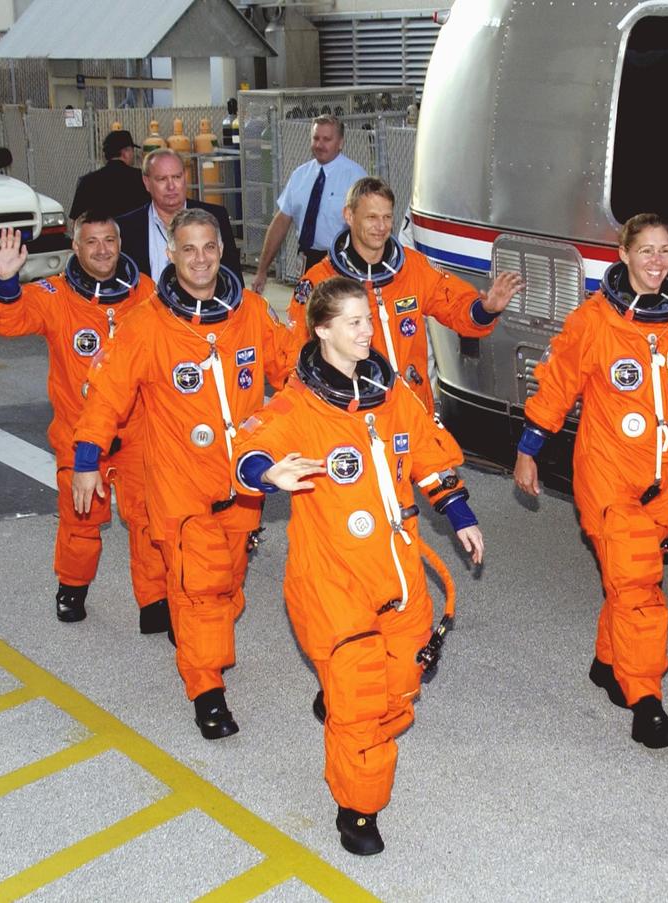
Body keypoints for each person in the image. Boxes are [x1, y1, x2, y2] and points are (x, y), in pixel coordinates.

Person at [233, 276, 483, 856]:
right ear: (321, 330)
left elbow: (426, 453)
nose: (368, 331)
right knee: (362, 695)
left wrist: (460, 512)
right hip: (332, 580)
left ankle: (350, 720)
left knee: (399, 688)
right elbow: (251, 448)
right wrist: (266, 474)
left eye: (370, 321)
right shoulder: (297, 402)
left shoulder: (391, 394)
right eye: (354, 323)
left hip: (398, 571)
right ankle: (359, 807)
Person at [72, 208, 292, 740]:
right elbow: (106, 398)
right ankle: (207, 691)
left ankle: (200, 642)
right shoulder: (146, 325)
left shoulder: (252, 313)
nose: (200, 259)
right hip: (180, 486)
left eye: (209, 247)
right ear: (170, 255)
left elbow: (293, 375)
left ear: (222, 251)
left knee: (229, 583)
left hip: (242, 485)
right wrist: (86, 463)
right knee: (200, 591)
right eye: (188, 249)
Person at [513, 213, 668, 748]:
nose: (657, 262)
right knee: (639, 585)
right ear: (624, 254)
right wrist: (527, 451)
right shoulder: (593, 322)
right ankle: (646, 701)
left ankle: (608, 663)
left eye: (665, 251)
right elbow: (556, 385)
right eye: (647, 251)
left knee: (631, 577)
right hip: (609, 473)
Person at [0, 214, 168, 630]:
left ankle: (155, 600)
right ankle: (72, 586)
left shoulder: (145, 291)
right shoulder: (56, 294)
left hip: (137, 432)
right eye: (92, 242)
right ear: (75, 246)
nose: (102, 249)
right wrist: (8, 281)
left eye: (109, 240)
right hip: (78, 430)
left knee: (147, 518)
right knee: (80, 518)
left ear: (121, 243)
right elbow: (10, 321)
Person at [288, 177, 523, 411]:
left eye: (387, 217)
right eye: (371, 217)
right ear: (349, 216)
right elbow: (293, 356)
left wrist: (485, 309)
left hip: (413, 408)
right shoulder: (320, 282)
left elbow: (453, 303)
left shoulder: (413, 268)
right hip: (355, 412)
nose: (381, 227)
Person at [250, 115, 367, 293]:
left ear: (341, 142)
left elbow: (366, 228)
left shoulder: (356, 177)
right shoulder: (299, 175)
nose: (320, 145)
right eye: (316, 138)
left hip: (341, 264)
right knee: (304, 315)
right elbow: (281, 222)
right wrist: (262, 270)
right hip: (306, 261)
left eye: (327, 139)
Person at [116, 148, 242, 282]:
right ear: (147, 183)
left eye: (176, 177)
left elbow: (233, 279)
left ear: (185, 177)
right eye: (162, 179)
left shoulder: (215, 217)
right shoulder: (126, 227)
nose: (171, 186)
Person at [69, 130, 150, 220]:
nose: (133, 154)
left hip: (101, 233)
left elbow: (76, 219)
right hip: (136, 231)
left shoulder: (88, 181)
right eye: (131, 150)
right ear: (125, 153)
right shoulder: (142, 178)